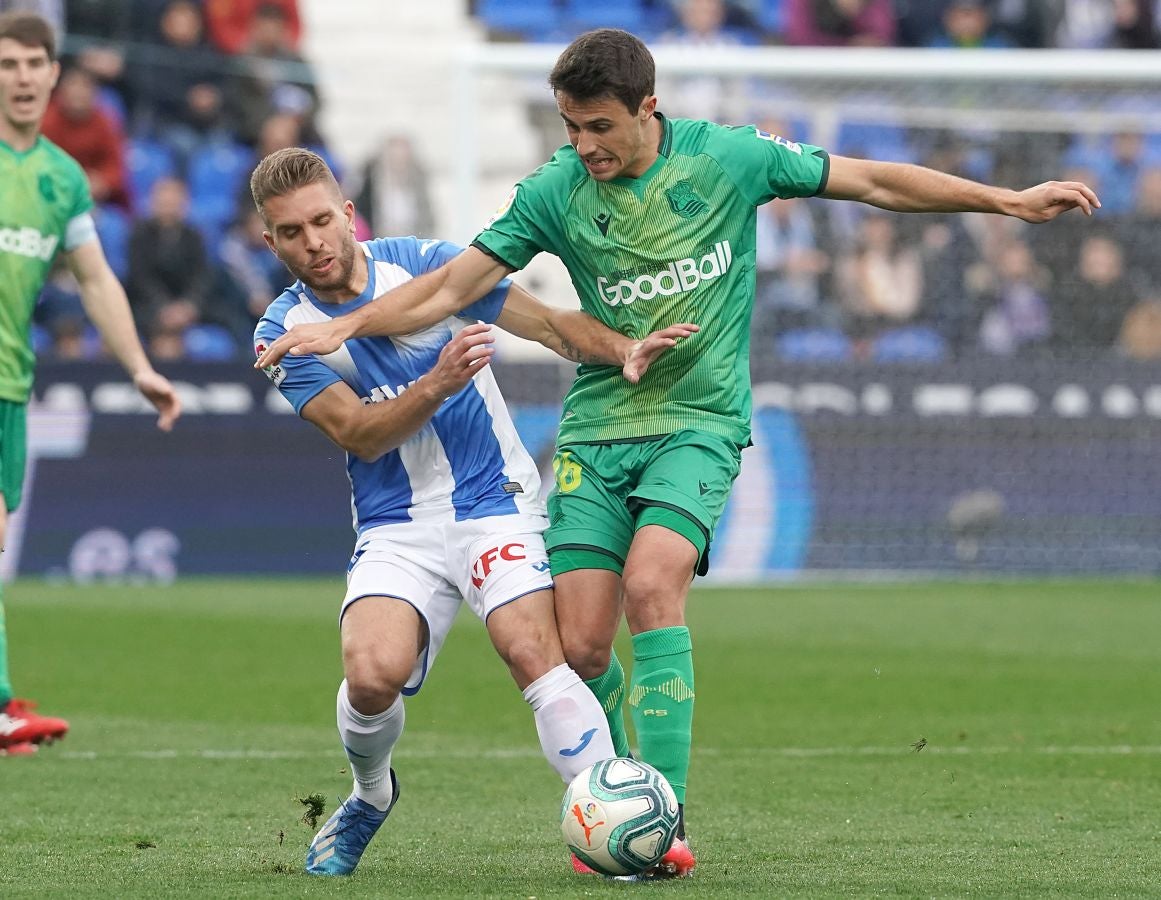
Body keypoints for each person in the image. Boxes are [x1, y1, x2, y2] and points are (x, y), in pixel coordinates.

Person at [254, 28, 1100, 878]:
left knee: (651, 587)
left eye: (598, 128)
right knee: (583, 649)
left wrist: (1006, 201)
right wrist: (348, 325)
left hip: (696, 417)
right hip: (594, 429)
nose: (582, 146)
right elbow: (444, 295)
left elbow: (872, 179)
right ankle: (602, 797)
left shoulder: (728, 158)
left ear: (646, 109)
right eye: (567, 128)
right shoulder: (554, 191)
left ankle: (658, 818)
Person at [249, 147, 696, 876]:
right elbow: (360, 433)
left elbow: (549, 325)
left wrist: (623, 348)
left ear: (348, 214)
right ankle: (369, 794)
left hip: (495, 504)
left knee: (534, 654)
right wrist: (438, 380)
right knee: (370, 675)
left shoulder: (430, 266)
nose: (314, 242)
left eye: (322, 221)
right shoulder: (282, 334)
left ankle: (629, 830)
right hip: (397, 526)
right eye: (292, 232)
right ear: (270, 241)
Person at [0, 12, 181, 756]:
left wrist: (138, 365)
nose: (20, 77)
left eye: (32, 65)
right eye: (6, 63)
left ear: (53, 73)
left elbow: (97, 277)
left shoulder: (61, 178)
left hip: (11, 386)